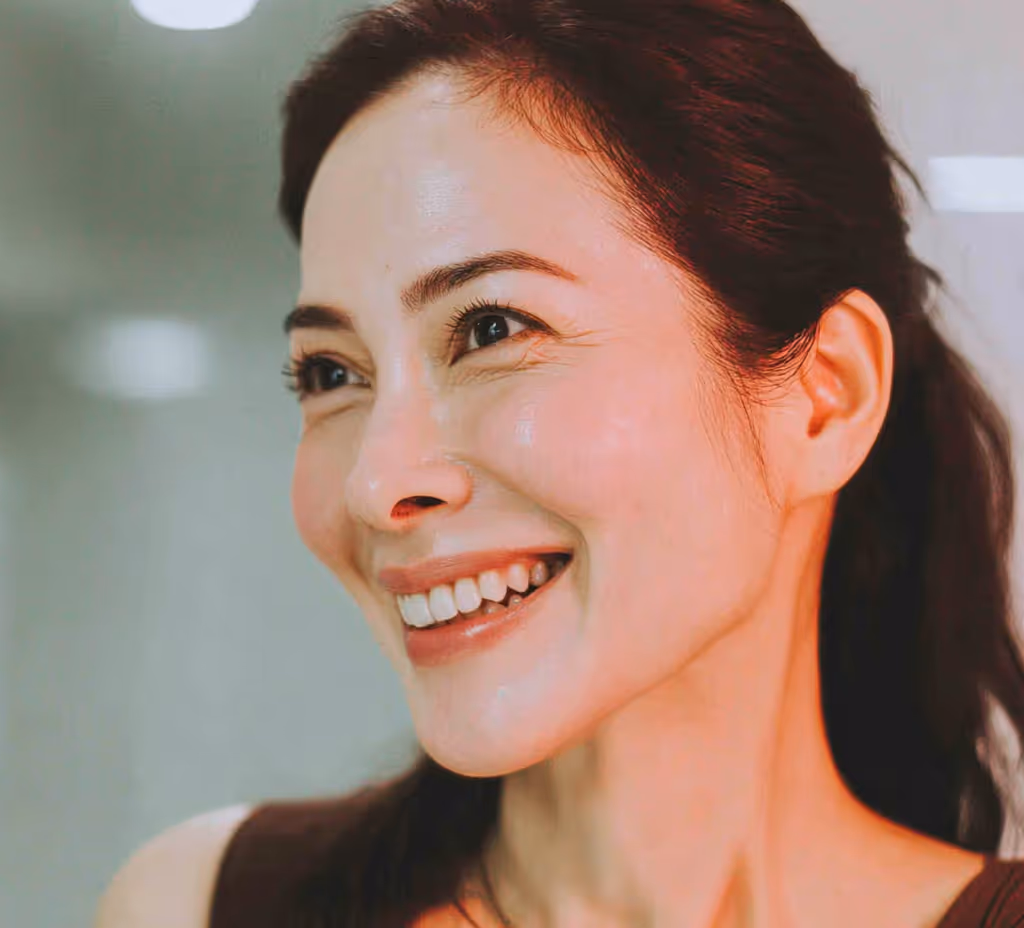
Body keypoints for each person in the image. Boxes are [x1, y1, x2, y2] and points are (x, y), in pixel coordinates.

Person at [94, 0, 1024, 925]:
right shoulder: (197, 904)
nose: (374, 485)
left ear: (826, 396)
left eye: (493, 328)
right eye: (331, 372)